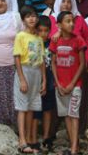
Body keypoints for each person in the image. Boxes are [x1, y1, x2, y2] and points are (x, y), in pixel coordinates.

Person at [51, 0, 88, 131]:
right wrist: (58, 32)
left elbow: (87, 40)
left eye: (69, 1)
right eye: (63, 1)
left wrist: (85, 61)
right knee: (58, 100)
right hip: (59, 67)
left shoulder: (79, 19)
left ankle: (79, 132)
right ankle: (54, 133)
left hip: (78, 66)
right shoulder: (52, 18)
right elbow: (50, 39)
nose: (66, 4)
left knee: (78, 102)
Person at [50, 11, 86, 155]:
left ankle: (73, 149)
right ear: (59, 25)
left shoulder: (78, 40)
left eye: (72, 21)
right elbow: (53, 63)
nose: (71, 24)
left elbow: (82, 63)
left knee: (74, 115)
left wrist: (73, 83)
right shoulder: (55, 41)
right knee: (66, 115)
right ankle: (74, 145)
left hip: (75, 85)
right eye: (67, 21)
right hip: (60, 86)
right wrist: (58, 83)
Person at [13, 6, 46, 153]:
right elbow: (17, 58)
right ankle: (22, 140)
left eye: (34, 16)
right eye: (28, 16)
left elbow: (42, 61)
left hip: (36, 73)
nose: (32, 19)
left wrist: (44, 80)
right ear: (23, 19)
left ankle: (27, 138)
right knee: (22, 107)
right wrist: (22, 79)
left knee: (32, 107)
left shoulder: (39, 38)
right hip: (24, 71)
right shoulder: (20, 36)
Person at [32, 16, 57, 152]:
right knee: (36, 110)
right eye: (40, 30)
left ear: (49, 31)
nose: (43, 34)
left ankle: (47, 137)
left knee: (48, 109)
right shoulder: (33, 43)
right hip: (35, 80)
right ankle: (34, 138)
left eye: (46, 31)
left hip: (50, 79)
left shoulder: (52, 45)